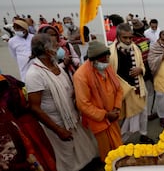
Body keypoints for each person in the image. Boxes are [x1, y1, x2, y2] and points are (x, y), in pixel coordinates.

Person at [25, 34, 98, 171]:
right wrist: (58, 130)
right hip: (57, 124)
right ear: (47, 50)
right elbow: (35, 108)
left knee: (85, 153)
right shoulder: (34, 74)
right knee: (68, 161)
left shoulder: (56, 66)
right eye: (56, 45)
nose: (59, 47)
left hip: (73, 119)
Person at [73, 40, 124, 161]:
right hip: (99, 120)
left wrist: (116, 109)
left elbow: (118, 89)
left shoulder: (106, 66)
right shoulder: (81, 75)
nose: (106, 62)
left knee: (119, 148)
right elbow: (83, 104)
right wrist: (106, 115)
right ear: (94, 60)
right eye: (103, 60)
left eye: (107, 58)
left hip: (113, 115)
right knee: (108, 154)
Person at [0, 74, 57, 171]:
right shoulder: (8, 80)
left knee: (43, 157)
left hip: (26, 128)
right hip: (23, 129)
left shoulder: (7, 80)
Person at [109, 23, 154, 144]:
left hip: (139, 87)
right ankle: (120, 142)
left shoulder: (136, 48)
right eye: (125, 38)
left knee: (143, 113)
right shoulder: (110, 53)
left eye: (130, 37)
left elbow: (143, 66)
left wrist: (141, 70)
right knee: (128, 119)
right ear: (118, 36)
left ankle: (143, 135)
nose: (129, 40)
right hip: (123, 92)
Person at [131, 19, 157, 120]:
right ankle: (148, 113)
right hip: (145, 69)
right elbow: (147, 57)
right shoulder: (145, 41)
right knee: (150, 92)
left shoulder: (131, 41)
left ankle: (141, 112)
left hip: (134, 69)